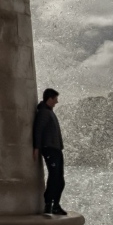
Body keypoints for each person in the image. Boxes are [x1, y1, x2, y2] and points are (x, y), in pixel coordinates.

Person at [32, 87, 67, 216]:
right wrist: (37, 148)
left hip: (56, 150)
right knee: (54, 177)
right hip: (49, 149)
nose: (57, 101)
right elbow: (38, 130)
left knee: (60, 179)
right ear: (49, 98)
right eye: (55, 99)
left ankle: (56, 205)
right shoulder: (43, 113)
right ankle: (49, 204)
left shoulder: (49, 111)